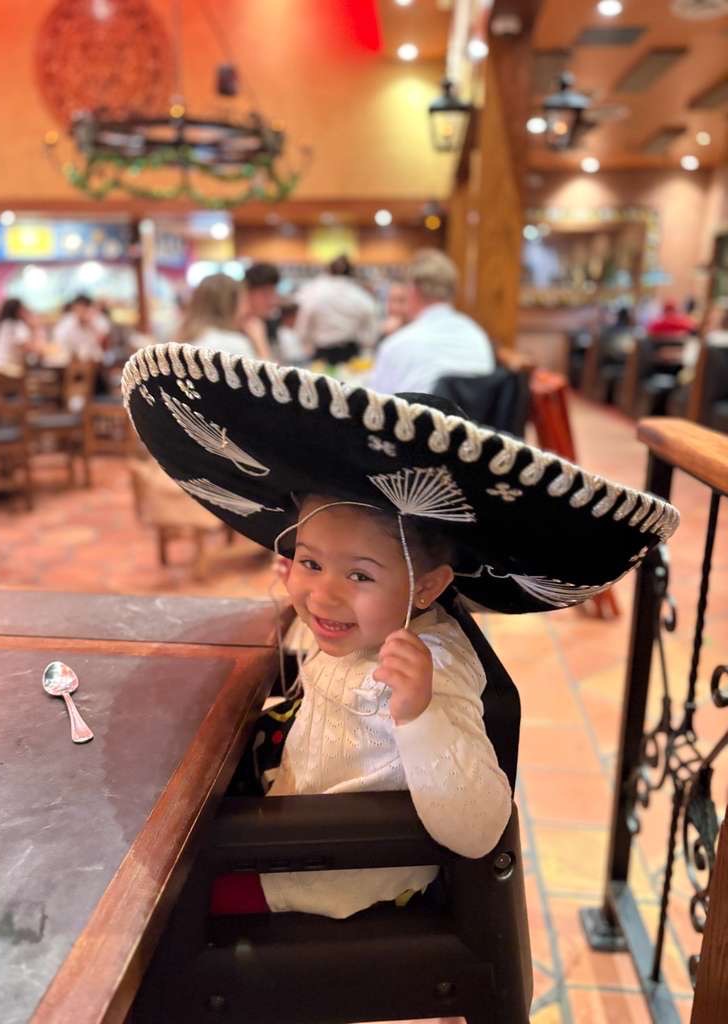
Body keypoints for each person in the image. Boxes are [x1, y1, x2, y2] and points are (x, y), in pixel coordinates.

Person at [124, 343, 680, 920]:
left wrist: (421, 717)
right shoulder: (370, 622)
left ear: (428, 586)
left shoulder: (427, 675)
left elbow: (480, 831)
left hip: (321, 877)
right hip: (292, 809)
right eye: (310, 562)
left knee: (164, 899)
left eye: (359, 574)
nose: (323, 595)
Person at [369, 249, 495, 394]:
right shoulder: (478, 336)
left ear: (412, 289)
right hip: (469, 410)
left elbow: (373, 405)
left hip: (416, 410)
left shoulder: (396, 345)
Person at [295, 254, 379, 364]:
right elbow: (371, 323)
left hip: (322, 352)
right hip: (351, 352)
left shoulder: (314, 291)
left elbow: (303, 322)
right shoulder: (359, 294)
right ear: (351, 272)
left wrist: (305, 342)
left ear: (328, 270)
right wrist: (367, 343)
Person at [179, 273, 255, 357]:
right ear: (231, 305)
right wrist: (260, 343)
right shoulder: (236, 344)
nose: (247, 308)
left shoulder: (180, 338)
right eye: (243, 302)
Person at [238, 261, 279, 361]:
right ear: (246, 293)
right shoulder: (233, 333)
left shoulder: (268, 325)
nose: (273, 301)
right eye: (266, 294)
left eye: (273, 293)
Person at [52, 294, 110, 363]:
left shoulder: (99, 319)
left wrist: (90, 325)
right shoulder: (67, 321)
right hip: (70, 359)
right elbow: (58, 341)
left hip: (94, 359)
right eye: (77, 309)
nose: (80, 313)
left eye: (83, 309)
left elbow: (104, 344)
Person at [0, 297, 39, 369]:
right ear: (19, 311)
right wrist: (35, 328)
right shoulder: (17, 325)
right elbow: (30, 349)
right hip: (8, 370)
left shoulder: (3, 324)